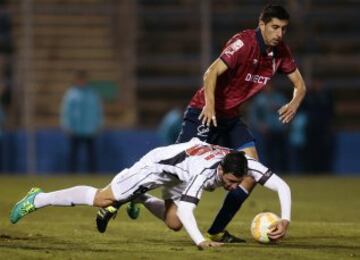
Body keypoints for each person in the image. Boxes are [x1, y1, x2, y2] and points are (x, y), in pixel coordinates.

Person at [97, 4, 305, 242]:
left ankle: (217, 229)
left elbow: (300, 85)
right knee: (174, 175)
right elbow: (211, 73)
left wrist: (295, 101)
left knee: (251, 171)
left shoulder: (281, 52)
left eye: (284, 29)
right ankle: (119, 198)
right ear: (262, 25)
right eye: (275, 27)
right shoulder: (243, 44)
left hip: (230, 118)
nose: (279, 34)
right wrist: (208, 104)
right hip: (205, 113)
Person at [10, 138, 291, 250]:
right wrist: (201, 242)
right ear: (220, 171)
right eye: (230, 182)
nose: (233, 186)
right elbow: (188, 209)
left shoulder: (244, 163)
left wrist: (286, 219)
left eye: (236, 182)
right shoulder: (204, 173)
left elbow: (282, 185)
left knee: (173, 223)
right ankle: (37, 198)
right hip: (157, 166)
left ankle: (139, 198)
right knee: (103, 198)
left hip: (178, 169)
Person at [60, 70, 103, 173]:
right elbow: (66, 111)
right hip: (75, 129)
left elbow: (98, 110)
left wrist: (98, 124)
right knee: (73, 153)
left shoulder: (92, 93)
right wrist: (66, 125)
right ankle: (72, 173)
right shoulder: (71, 94)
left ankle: (93, 173)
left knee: (91, 154)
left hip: (90, 129)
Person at [248, 86, 288, 171]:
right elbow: (253, 115)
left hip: (278, 130)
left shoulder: (279, 98)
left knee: (278, 153)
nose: (269, 87)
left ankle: (279, 171)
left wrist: (285, 125)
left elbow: (288, 111)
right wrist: (259, 126)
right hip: (264, 131)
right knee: (264, 153)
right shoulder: (259, 99)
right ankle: (264, 171)